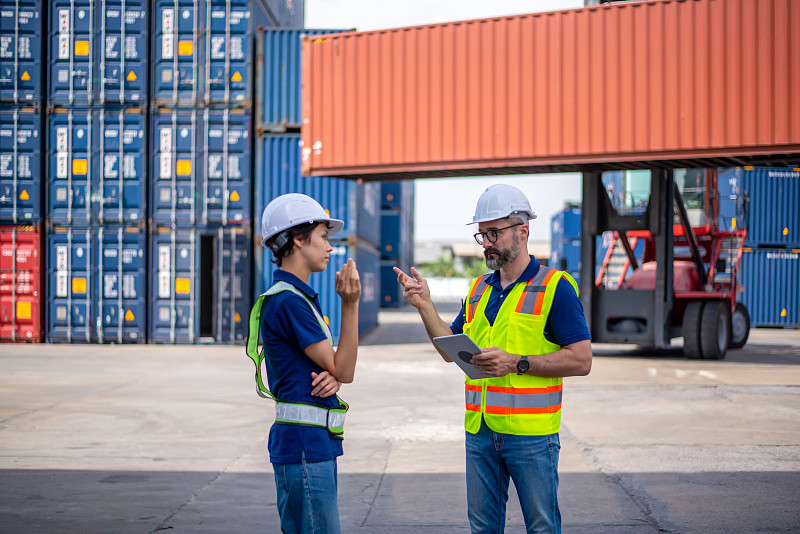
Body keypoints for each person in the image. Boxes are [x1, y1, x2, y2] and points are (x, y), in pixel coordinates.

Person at [394, 184, 592, 534]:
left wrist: (517, 363)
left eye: (494, 233)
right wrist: (425, 305)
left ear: (523, 231)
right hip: (480, 432)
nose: (486, 242)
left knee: (542, 527)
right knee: (483, 528)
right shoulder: (478, 289)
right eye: (482, 234)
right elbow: (447, 348)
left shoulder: (555, 287)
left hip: (531, 437)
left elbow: (581, 360)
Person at [246, 193, 361, 534]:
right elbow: (345, 369)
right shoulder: (289, 302)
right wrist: (351, 304)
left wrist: (333, 375)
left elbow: (334, 370)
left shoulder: (292, 298)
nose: (329, 247)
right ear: (298, 239)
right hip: (305, 448)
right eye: (324, 237)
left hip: (307, 445)